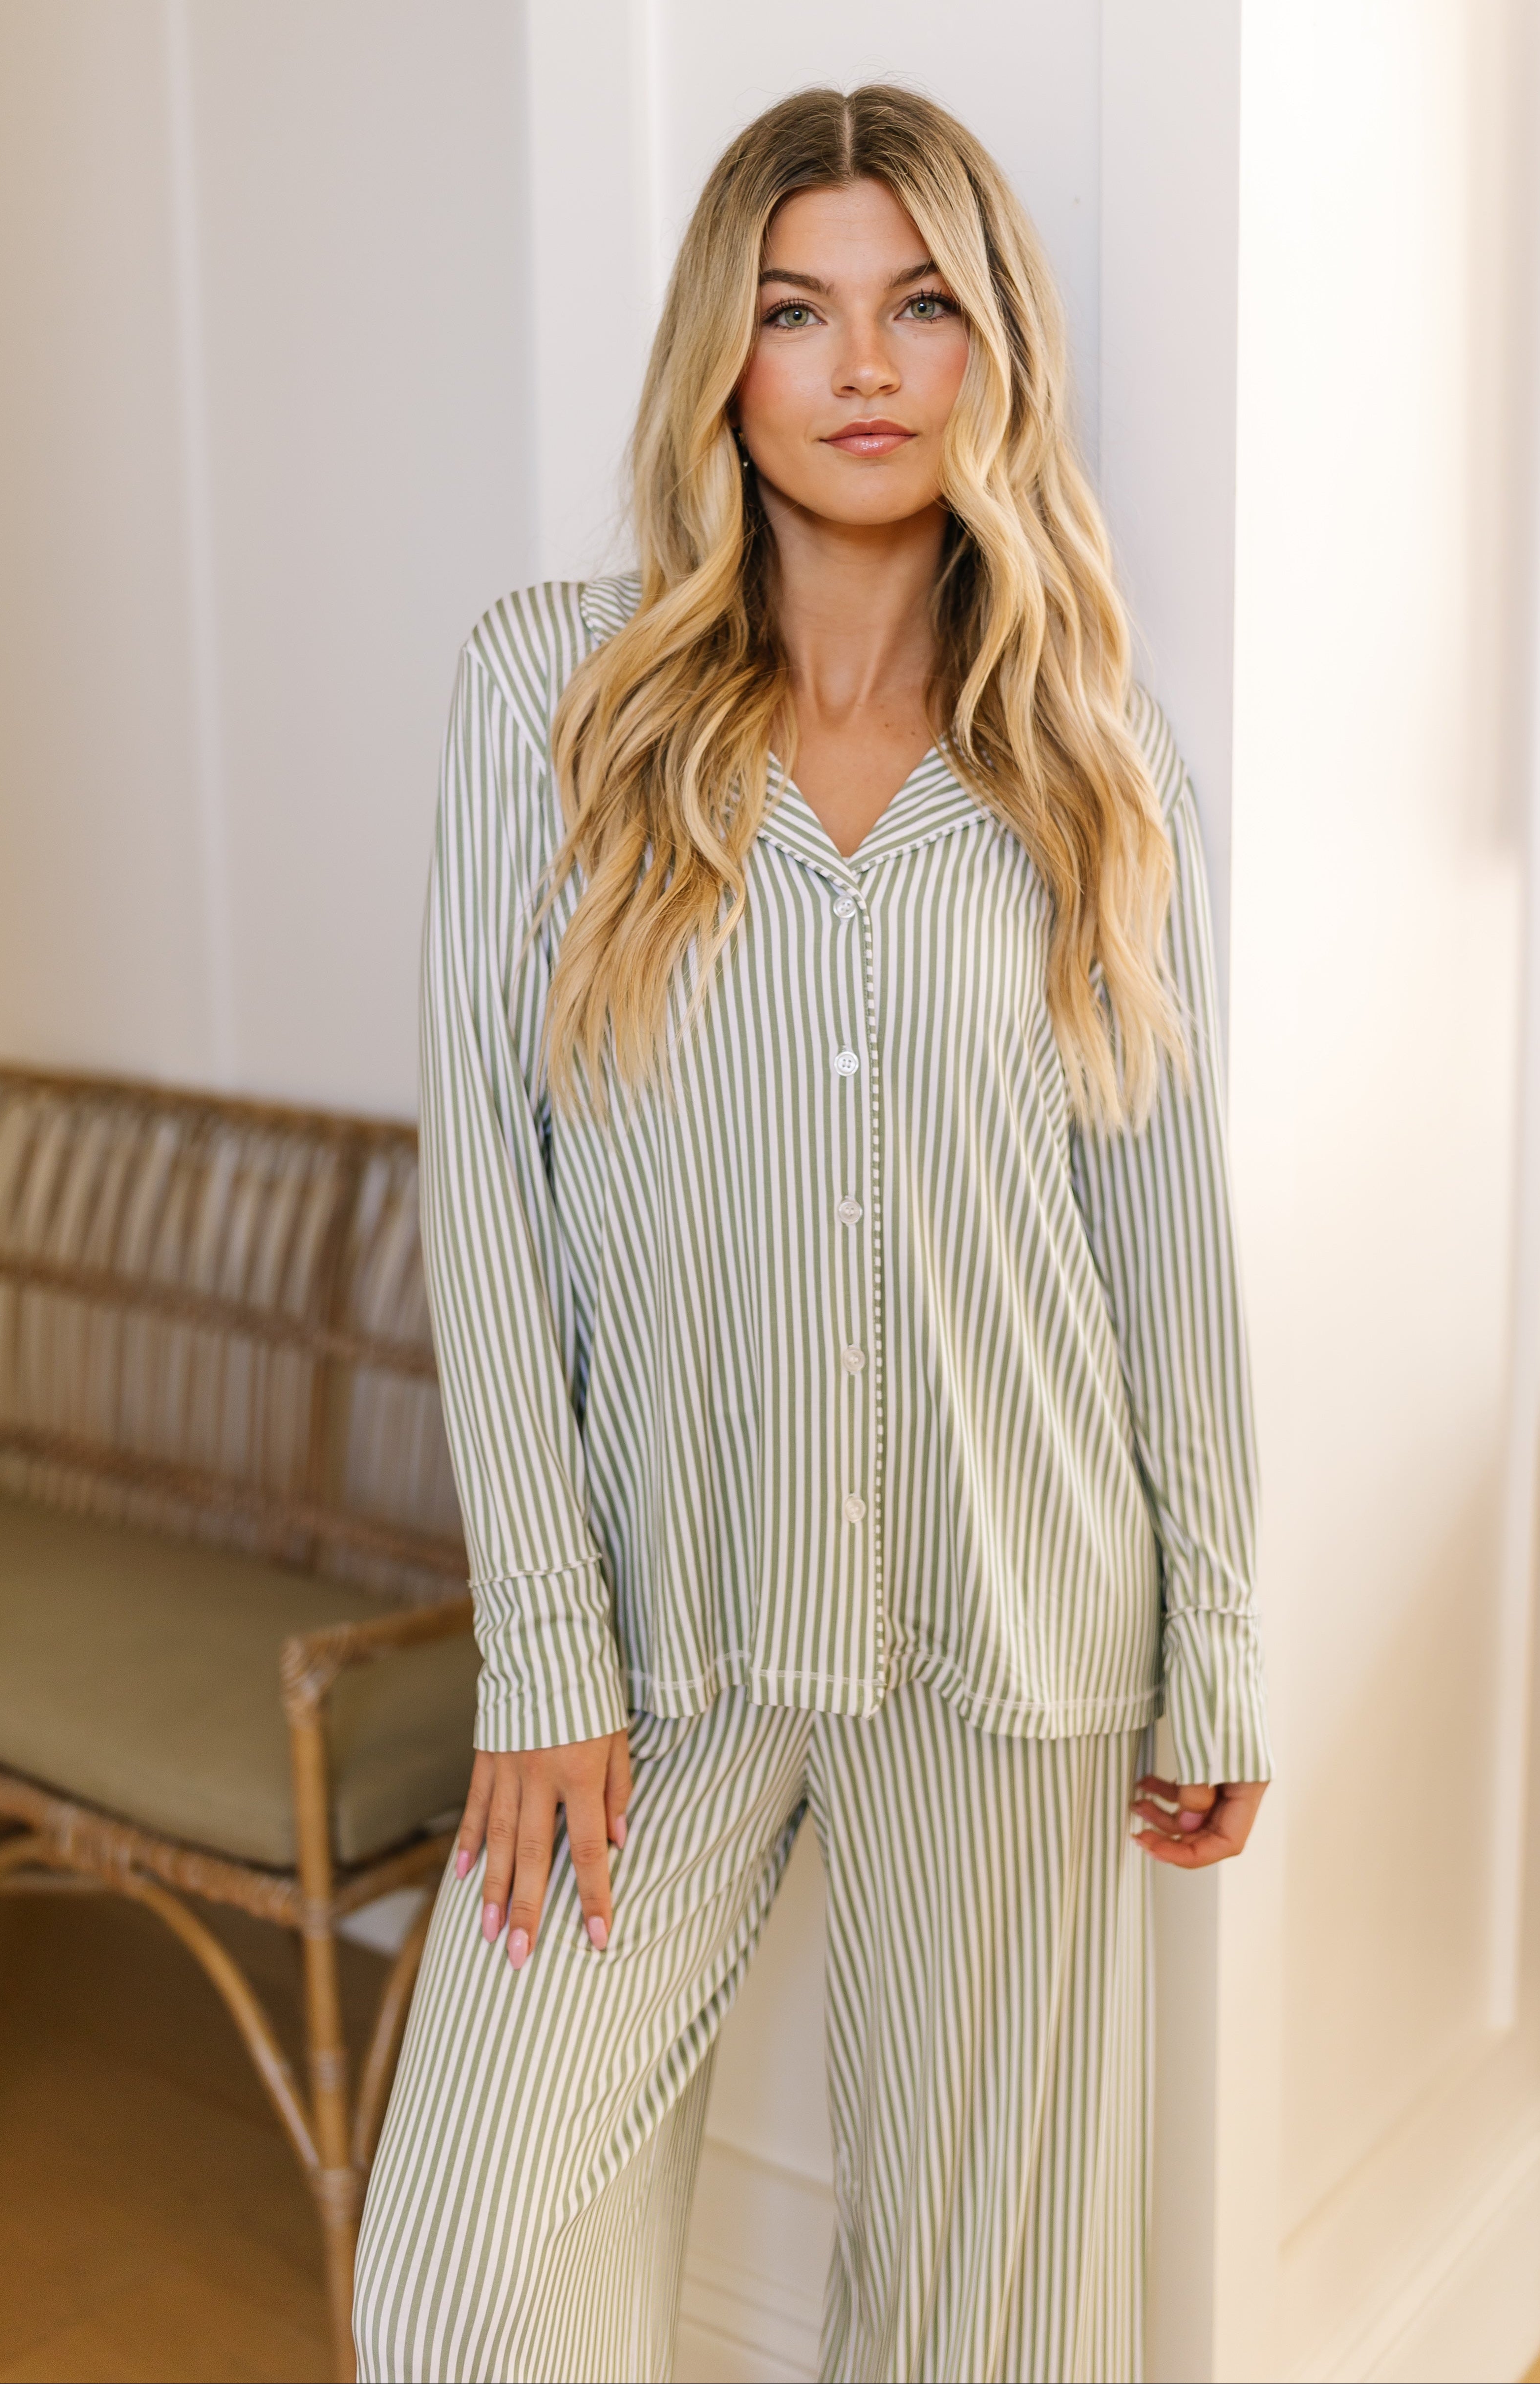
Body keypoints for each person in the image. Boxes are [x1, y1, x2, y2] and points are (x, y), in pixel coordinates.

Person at [353, 82, 1271, 2384]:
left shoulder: (1097, 765)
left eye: (920, 303)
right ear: (724, 356)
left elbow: (1162, 1231)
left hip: (1016, 1610)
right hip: (656, 1628)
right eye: (797, 309)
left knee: (997, 2322)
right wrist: (543, 1650)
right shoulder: (550, 702)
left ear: (991, 350)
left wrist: (1222, 1634)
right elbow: (487, 1190)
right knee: (463, 2276)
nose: (864, 364)